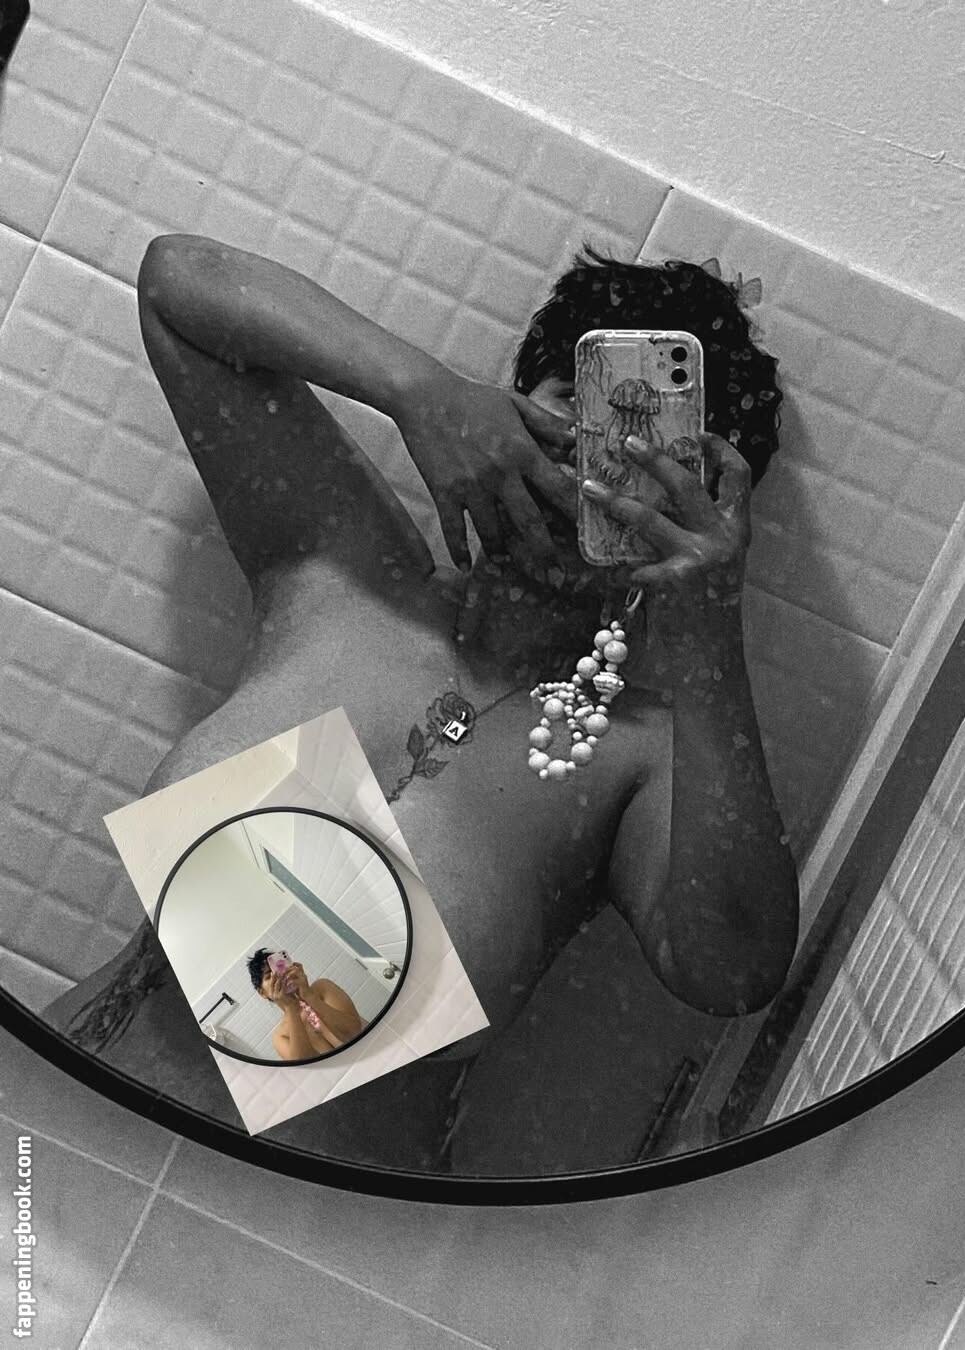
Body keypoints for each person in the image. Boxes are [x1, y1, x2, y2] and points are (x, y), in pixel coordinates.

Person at [45, 236, 799, 1170]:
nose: (590, 462)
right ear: (510, 406)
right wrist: (418, 390)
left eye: (647, 447)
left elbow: (735, 969)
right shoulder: (344, 570)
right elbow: (179, 288)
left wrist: (710, 615)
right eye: (576, 401)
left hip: (280, 1239)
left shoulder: (633, 754)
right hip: (38, 1132)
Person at [247, 950, 367, 1061]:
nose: (279, 977)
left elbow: (354, 1032)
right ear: (262, 993)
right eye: (269, 976)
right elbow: (311, 1069)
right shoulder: (281, 1036)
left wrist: (309, 995)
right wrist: (290, 1008)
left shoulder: (322, 988)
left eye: (280, 968)